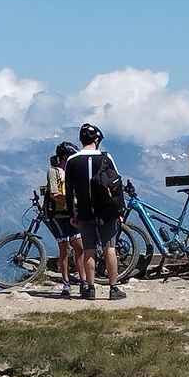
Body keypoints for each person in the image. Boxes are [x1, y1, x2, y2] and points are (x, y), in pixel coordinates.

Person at [64, 122, 128, 300]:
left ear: (81, 139)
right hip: (106, 212)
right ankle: (113, 289)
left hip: (84, 212)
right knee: (110, 249)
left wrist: (72, 214)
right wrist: (119, 210)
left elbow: (69, 192)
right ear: (96, 139)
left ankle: (90, 288)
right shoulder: (106, 158)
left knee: (89, 250)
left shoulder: (72, 160)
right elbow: (117, 185)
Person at [42, 141, 83, 297]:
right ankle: (66, 283)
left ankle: (83, 281)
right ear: (65, 157)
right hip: (57, 216)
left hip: (70, 214)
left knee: (79, 247)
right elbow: (55, 194)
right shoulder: (54, 171)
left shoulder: (71, 171)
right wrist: (73, 202)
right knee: (64, 248)